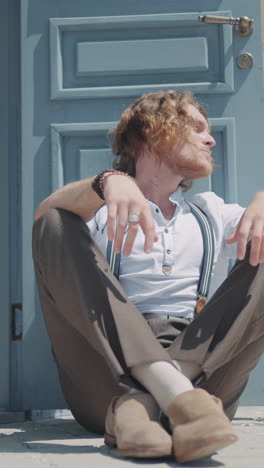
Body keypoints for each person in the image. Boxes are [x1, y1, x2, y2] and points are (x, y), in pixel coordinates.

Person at [32, 90, 264, 463]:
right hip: (108, 375)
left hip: (203, 368)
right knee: (55, 224)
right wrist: (107, 182)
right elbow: (45, 217)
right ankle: (178, 401)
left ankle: (145, 405)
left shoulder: (211, 211)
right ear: (154, 132)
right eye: (197, 128)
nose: (210, 139)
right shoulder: (98, 210)